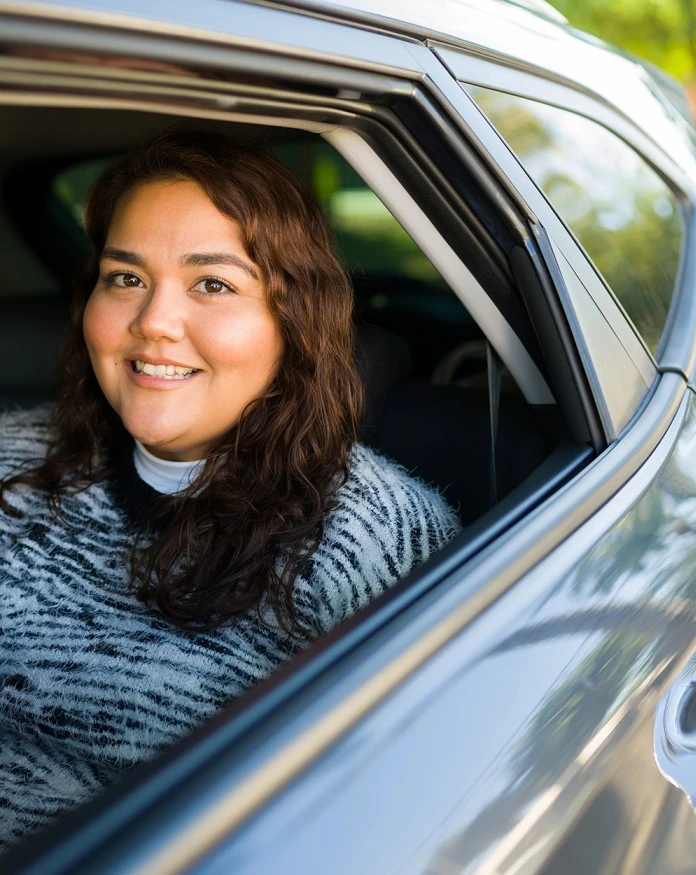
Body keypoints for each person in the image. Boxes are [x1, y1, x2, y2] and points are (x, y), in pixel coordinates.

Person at [0, 130, 459, 848]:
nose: (153, 321)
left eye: (212, 284)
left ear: (292, 319)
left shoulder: (374, 541)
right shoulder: (14, 454)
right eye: (125, 277)